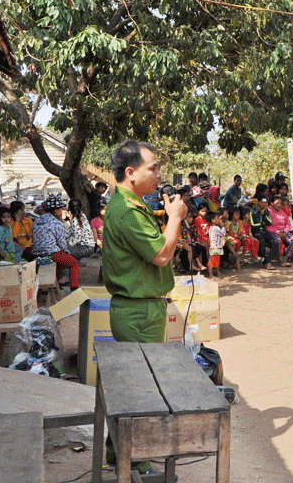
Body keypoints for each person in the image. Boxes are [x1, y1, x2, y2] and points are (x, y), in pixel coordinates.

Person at [101, 141, 185, 476]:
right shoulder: (127, 210)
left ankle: (118, 453)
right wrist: (176, 218)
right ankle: (138, 464)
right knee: (143, 390)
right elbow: (161, 255)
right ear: (131, 172)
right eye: (153, 167)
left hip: (141, 307)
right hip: (138, 311)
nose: (159, 174)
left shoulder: (132, 205)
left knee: (132, 385)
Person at [32, 194, 80, 290]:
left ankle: (55, 285)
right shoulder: (57, 223)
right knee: (73, 262)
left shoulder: (36, 221)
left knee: (60, 260)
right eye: (61, 209)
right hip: (51, 255)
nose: (61, 211)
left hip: (36, 255)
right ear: (56, 210)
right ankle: (74, 289)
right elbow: (62, 245)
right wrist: (65, 250)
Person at [267, 195, 293, 267]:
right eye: (277, 203)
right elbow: (267, 226)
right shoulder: (268, 211)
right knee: (278, 240)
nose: (279, 205)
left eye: (280, 203)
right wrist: (277, 232)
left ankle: (286, 259)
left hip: (283, 232)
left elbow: (288, 223)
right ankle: (280, 259)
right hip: (273, 232)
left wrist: (285, 231)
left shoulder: (282, 212)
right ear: (272, 203)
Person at [206, 212, 225, 277]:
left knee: (216, 261)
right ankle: (211, 275)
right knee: (212, 262)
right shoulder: (216, 228)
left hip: (215, 247)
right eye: (217, 218)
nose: (219, 220)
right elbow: (223, 234)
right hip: (215, 247)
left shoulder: (211, 228)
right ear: (213, 220)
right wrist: (223, 227)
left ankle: (217, 273)